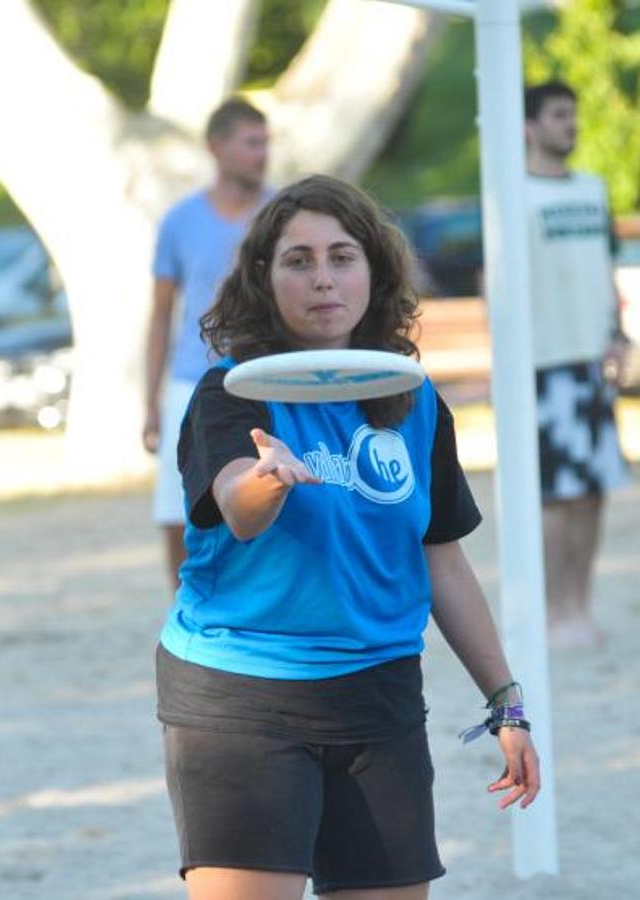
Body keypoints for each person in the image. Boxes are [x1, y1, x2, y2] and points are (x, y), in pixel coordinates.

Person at [156, 174, 540, 899]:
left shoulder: (412, 397)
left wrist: (505, 701)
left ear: (374, 269)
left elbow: (440, 558)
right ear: (264, 278)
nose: (322, 279)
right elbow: (237, 506)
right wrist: (269, 477)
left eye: (341, 256)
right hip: (241, 694)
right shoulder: (231, 390)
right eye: (297, 261)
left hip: (378, 695)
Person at [144, 97, 275, 589]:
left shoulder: (281, 214)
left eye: (266, 142)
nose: (262, 154)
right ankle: (187, 607)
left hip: (265, 376)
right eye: (252, 143)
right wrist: (150, 402)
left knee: (261, 497)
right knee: (178, 510)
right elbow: (160, 315)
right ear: (217, 148)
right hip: (190, 380)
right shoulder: (180, 222)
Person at [523, 80, 630, 650]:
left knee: (593, 493)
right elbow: (500, 284)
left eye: (573, 114)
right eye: (559, 115)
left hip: (593, 364)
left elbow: (606, 269)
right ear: (530, 125)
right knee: (555, 497)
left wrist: (619, 334)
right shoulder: (513, 193)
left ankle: (579, 608)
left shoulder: (592, 188)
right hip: (543, 366)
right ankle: (551, 613)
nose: (571, 124)